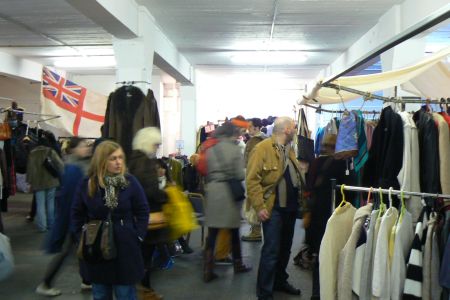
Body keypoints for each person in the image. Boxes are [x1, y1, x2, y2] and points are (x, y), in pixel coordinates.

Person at [71, 141, 149, 300]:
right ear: (102, 160)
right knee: (100, 294)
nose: (118, 162)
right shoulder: (88, 183)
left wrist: (138, 235)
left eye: (121, 157)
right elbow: (76, 213)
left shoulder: (130, 182)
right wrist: (81, 237)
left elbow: (143, 210)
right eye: (113, 158)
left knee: (125, 293)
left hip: (125, 247)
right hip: (97, 247)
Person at [247, 117, 303, 300]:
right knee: (271, 251)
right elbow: (252, 180)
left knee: (285, 249)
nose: (296, 129)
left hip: (291, 208)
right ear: (286, 129)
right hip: (273, 208)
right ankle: (264, 292)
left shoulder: (290, 149)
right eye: (294, 127)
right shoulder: (262, 148)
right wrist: (259, 206)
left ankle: (279, 281)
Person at [35, 138, 92, 296]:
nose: (86, 148)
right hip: (73, 218)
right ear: (73, 149)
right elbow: (72, 198)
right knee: (69, 251)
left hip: (74, 218)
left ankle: (87, 280)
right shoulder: (74, 168)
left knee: (80, 250)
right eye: (83, 145)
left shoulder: (75, 166)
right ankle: (46, 283)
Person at [203, 122, 251, 283]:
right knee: (234, 231)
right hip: (229, 194)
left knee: (213, 233)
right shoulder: (235, 149)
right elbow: (239, 174)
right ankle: (238, 264)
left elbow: (207, 171)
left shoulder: (211, 149)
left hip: (214, 191)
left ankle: (208, 268)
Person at [128, 127, 167, 300]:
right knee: (145, 257)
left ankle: (141, 289)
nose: (157, 148)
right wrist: (166, 194)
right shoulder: (147, 163)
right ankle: (145, 292)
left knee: (139, 256)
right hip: (149, 216)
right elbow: (151, 192)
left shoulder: (132, 160)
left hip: (135, 216)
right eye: (156, 144)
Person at [26, 131, 64, 232]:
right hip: (51, 181)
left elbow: (29, 169)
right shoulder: (50, 151)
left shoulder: (32, 153)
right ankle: (51, 224)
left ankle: (42, 226)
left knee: (40, 204)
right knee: (50, 203)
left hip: (38, 182)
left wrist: (29, 181)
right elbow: (60, 165)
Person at [242, 117, 265, 242]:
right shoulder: (263, 139)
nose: (248, 129)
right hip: (257, 175)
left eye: (250, 126)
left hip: (254, 176)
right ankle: (255, 229)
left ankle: (256, 230)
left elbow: (252, 161)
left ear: (256, 127)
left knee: (253, 201)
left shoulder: (256, 141)